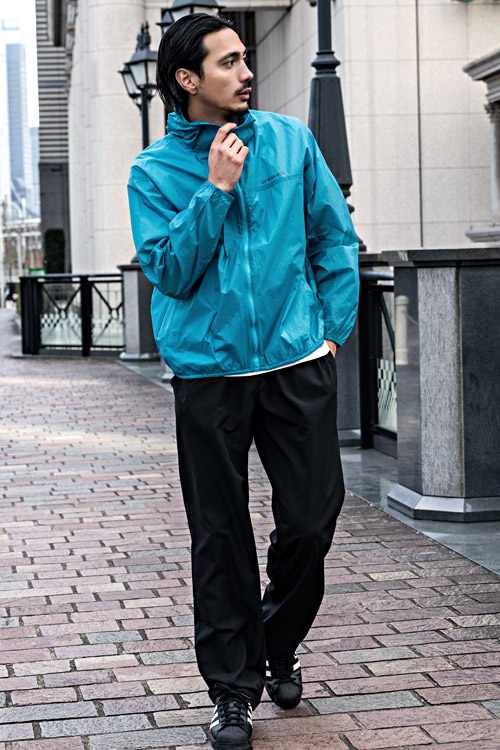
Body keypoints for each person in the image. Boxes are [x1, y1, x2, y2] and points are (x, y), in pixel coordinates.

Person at [127, 13, 359, 750]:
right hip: (210, 377)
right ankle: (233, 692)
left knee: (311, 521)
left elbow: (332, 238)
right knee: (220, 537)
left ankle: (273, 642)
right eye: (227, 62)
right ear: (187, 79)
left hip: (296, 363)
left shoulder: (290, 141)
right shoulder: (153, 172)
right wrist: (216, 190)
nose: (246, 71)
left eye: (244, 57)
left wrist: (330, 333)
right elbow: (168, 270)